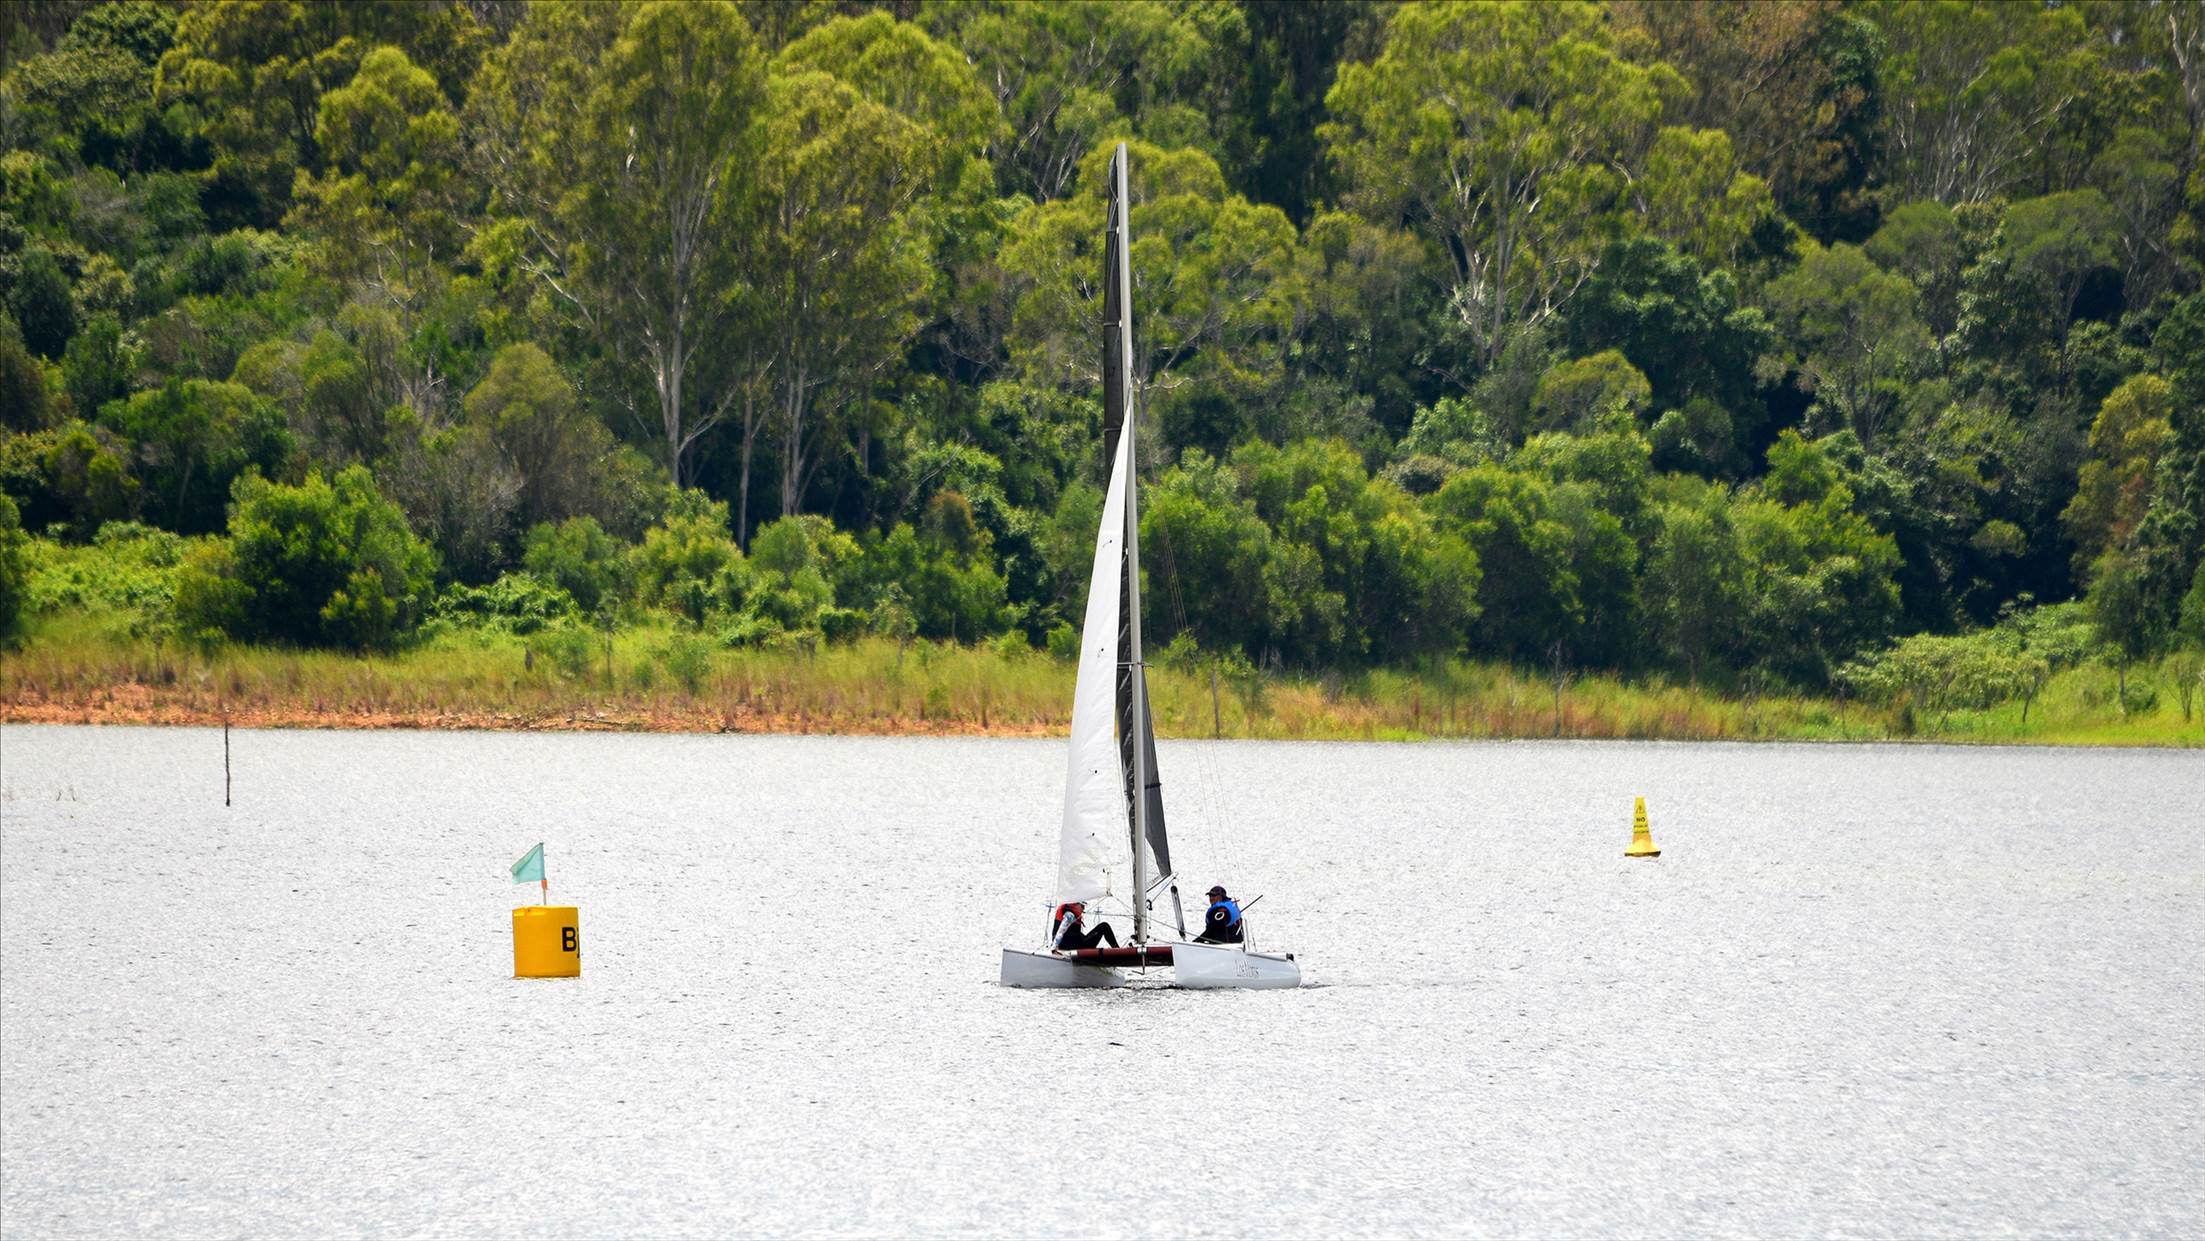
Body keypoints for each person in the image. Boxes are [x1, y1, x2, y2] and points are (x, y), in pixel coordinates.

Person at [1051, 901, 1119, 951]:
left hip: (1072, 946)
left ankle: (1116, 951)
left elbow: (1074, 934)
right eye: (1082, 906)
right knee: (1104, 926)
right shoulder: (1068, 914)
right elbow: (1061, 933)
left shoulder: (1071, 913)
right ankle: (1117, 951)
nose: (1084, 909)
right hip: (1071, 947)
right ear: (1075, 905)